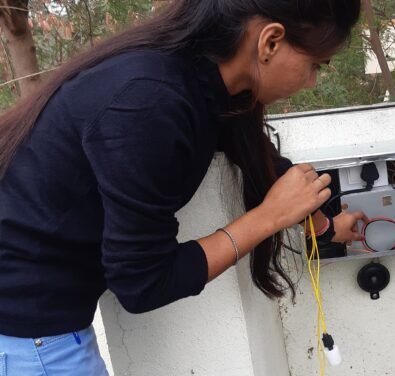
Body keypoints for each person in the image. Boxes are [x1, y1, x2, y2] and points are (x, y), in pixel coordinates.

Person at [0, 0, 365, 374]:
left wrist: (323, 226)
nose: (311, 82)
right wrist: (268, 218)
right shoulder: (149, 100)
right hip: (28, 334)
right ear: (270, 42)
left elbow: (258, 156)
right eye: (315, 65)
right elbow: (143, 282)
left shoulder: (200, 79)